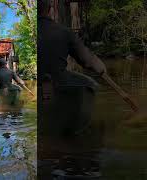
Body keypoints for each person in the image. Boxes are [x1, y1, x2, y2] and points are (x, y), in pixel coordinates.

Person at [39, 0, 107, 136]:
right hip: (58, 82)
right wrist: (101, 68)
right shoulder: (64, 32)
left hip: (41, 83)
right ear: (50, 10)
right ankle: (73, 126)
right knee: (91, 84)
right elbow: (88, 61)